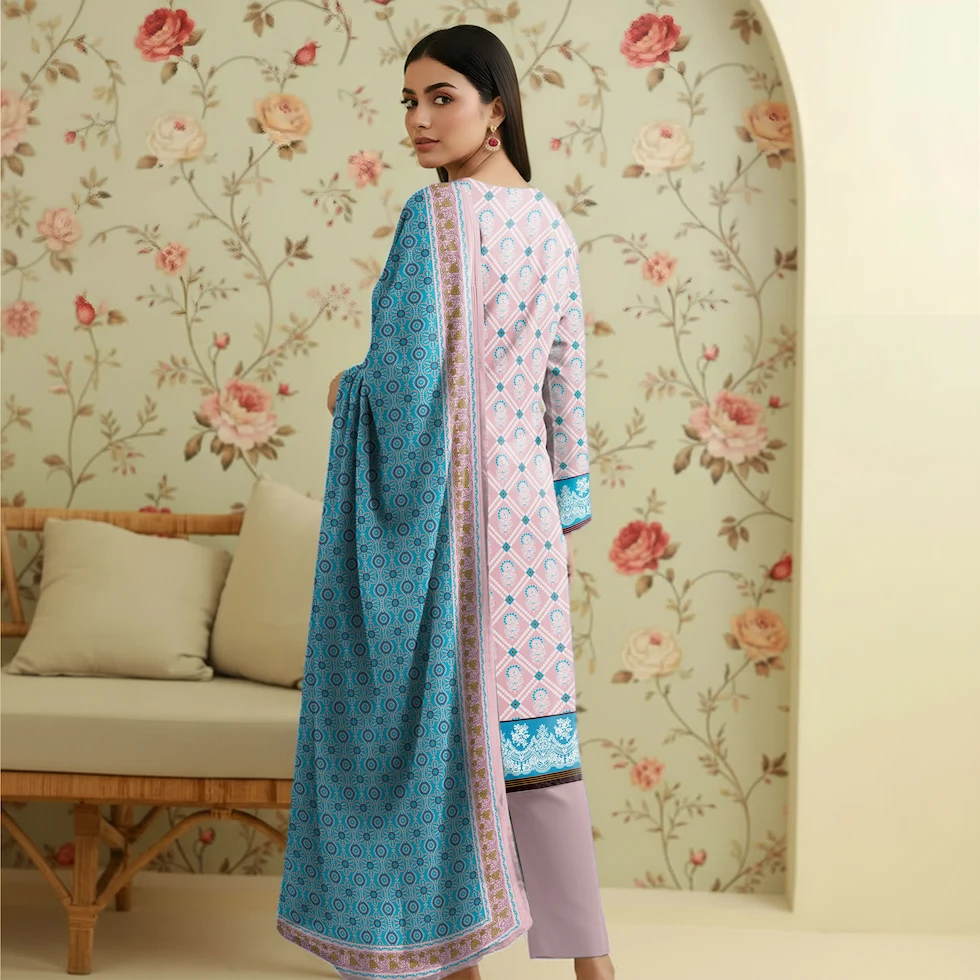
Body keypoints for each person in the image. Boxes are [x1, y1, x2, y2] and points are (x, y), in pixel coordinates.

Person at [278, 24, 613, 980]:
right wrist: (564, 510)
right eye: (410, 102)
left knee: (436, 743)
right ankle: (592, 967)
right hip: (526, 522)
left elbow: (400, 379)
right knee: (534, 750)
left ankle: (450, 959)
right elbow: (566, 386)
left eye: (442, 98)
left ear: (494, 109)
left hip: (443, 521)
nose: (419, 121)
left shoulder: (434, 218)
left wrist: (348, 389)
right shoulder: (550, 224)